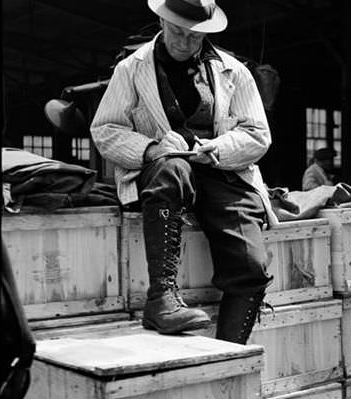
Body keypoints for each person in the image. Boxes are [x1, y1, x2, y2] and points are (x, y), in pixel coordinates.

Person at [91, 0, 278, 343]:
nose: (185, 42)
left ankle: (229, 354)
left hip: (221, 169)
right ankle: (161, 298)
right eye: (178, 32)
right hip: (164, 167)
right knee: (171, 169)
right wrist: (151, 148)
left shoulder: (234, 71)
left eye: (195, 36)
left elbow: (258, 135)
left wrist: (217, 149)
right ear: (162, 20)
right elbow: (106, 130)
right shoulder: (131, 69)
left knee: (251, 265)